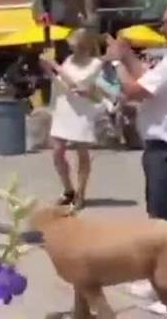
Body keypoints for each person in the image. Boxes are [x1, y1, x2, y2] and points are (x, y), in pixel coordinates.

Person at [107, 4, 167, 314]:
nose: (164, 28)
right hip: (163, 148)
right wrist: (128, 56)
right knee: (161, 218)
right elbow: (149, 78)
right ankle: (156, 282)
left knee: (164, 223)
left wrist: (118, 63)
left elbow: (135, 91)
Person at [40, 29, 103, 209]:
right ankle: (68, 190)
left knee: (82, 154)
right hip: (64, 108)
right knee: (57, 151)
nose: (71, 50)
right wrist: (49, 71)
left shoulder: (95, 63)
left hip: (82, 111)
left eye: (74, 46)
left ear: (84, 46)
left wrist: (55, 65)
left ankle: (80, 194)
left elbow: (77, 84)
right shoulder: (69, 61)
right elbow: (62, 82)